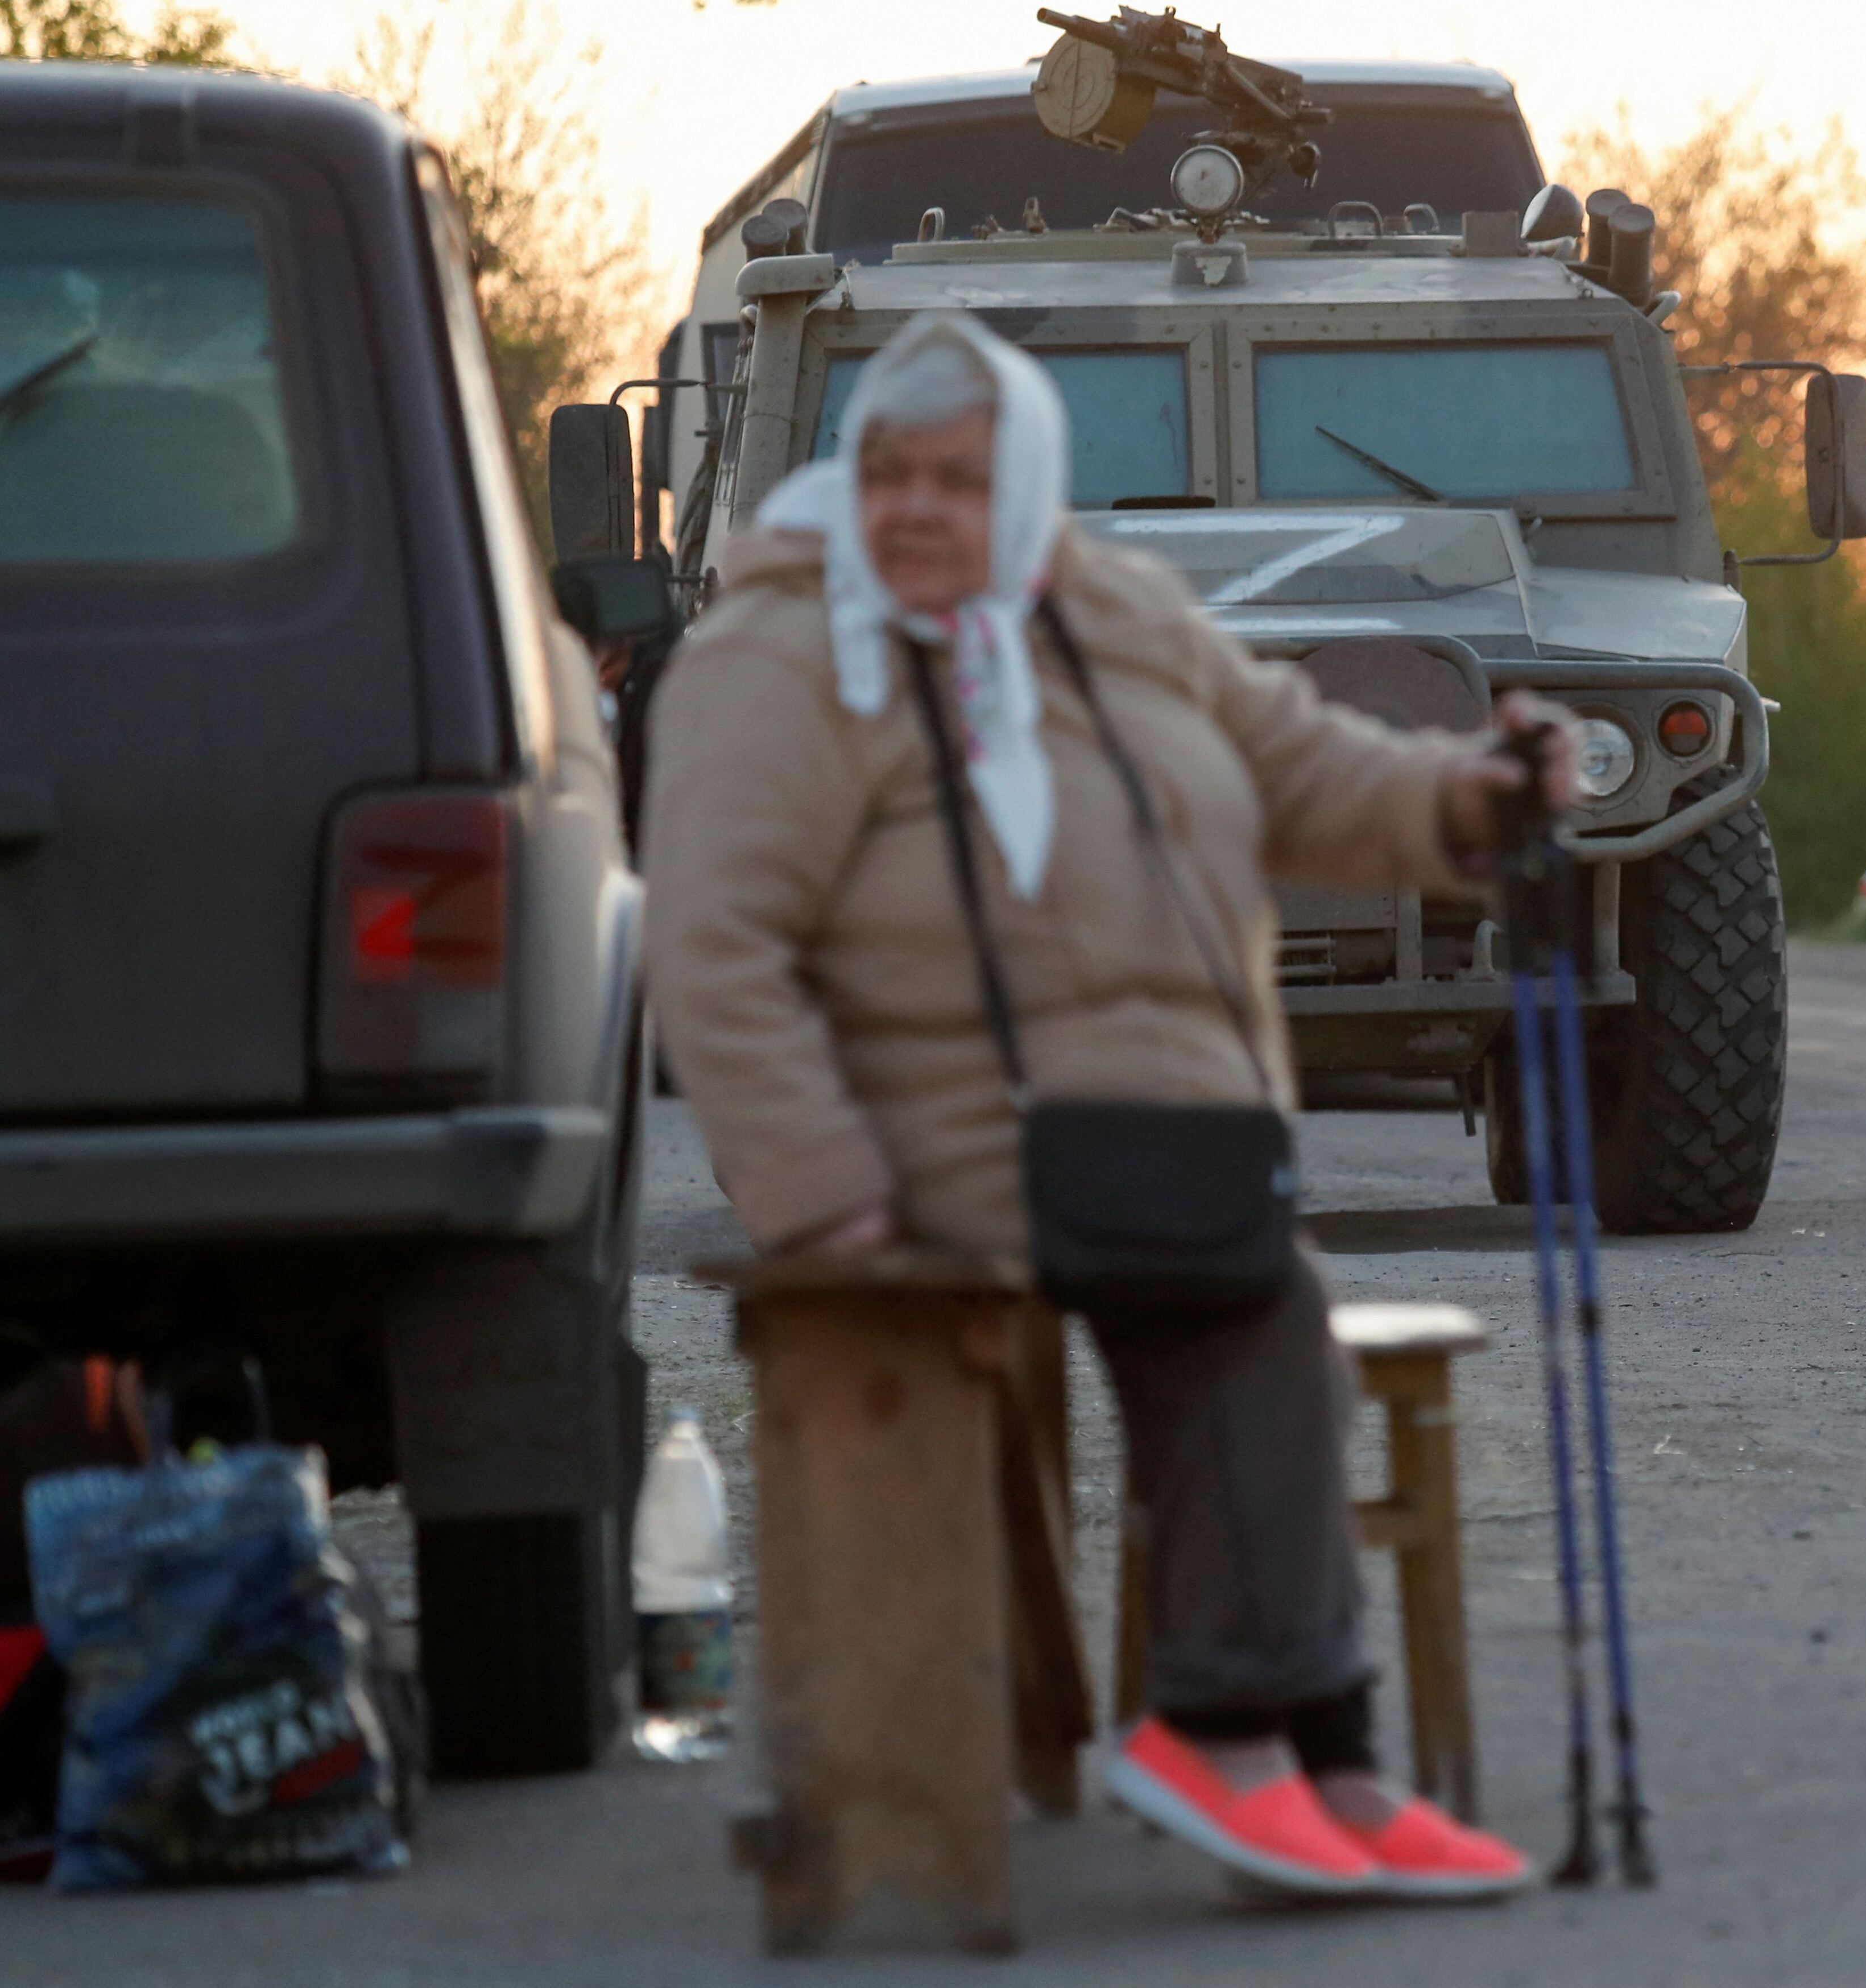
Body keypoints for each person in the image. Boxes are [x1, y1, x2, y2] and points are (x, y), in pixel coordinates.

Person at [642, 312, 1563, 1900]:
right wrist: (813, 1190)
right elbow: (714, 947)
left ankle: (1326, 1768)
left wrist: (1465, 797)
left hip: (1148, 1131)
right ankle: (1236, 1739)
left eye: (960, 480)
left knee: (1261, 1301)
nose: (917, 508)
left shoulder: (1112, 610)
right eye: (889, 472)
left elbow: (1299, 770)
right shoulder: (781, 653)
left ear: (1026, 491)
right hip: (929, 1147)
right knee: (1245, 1303)